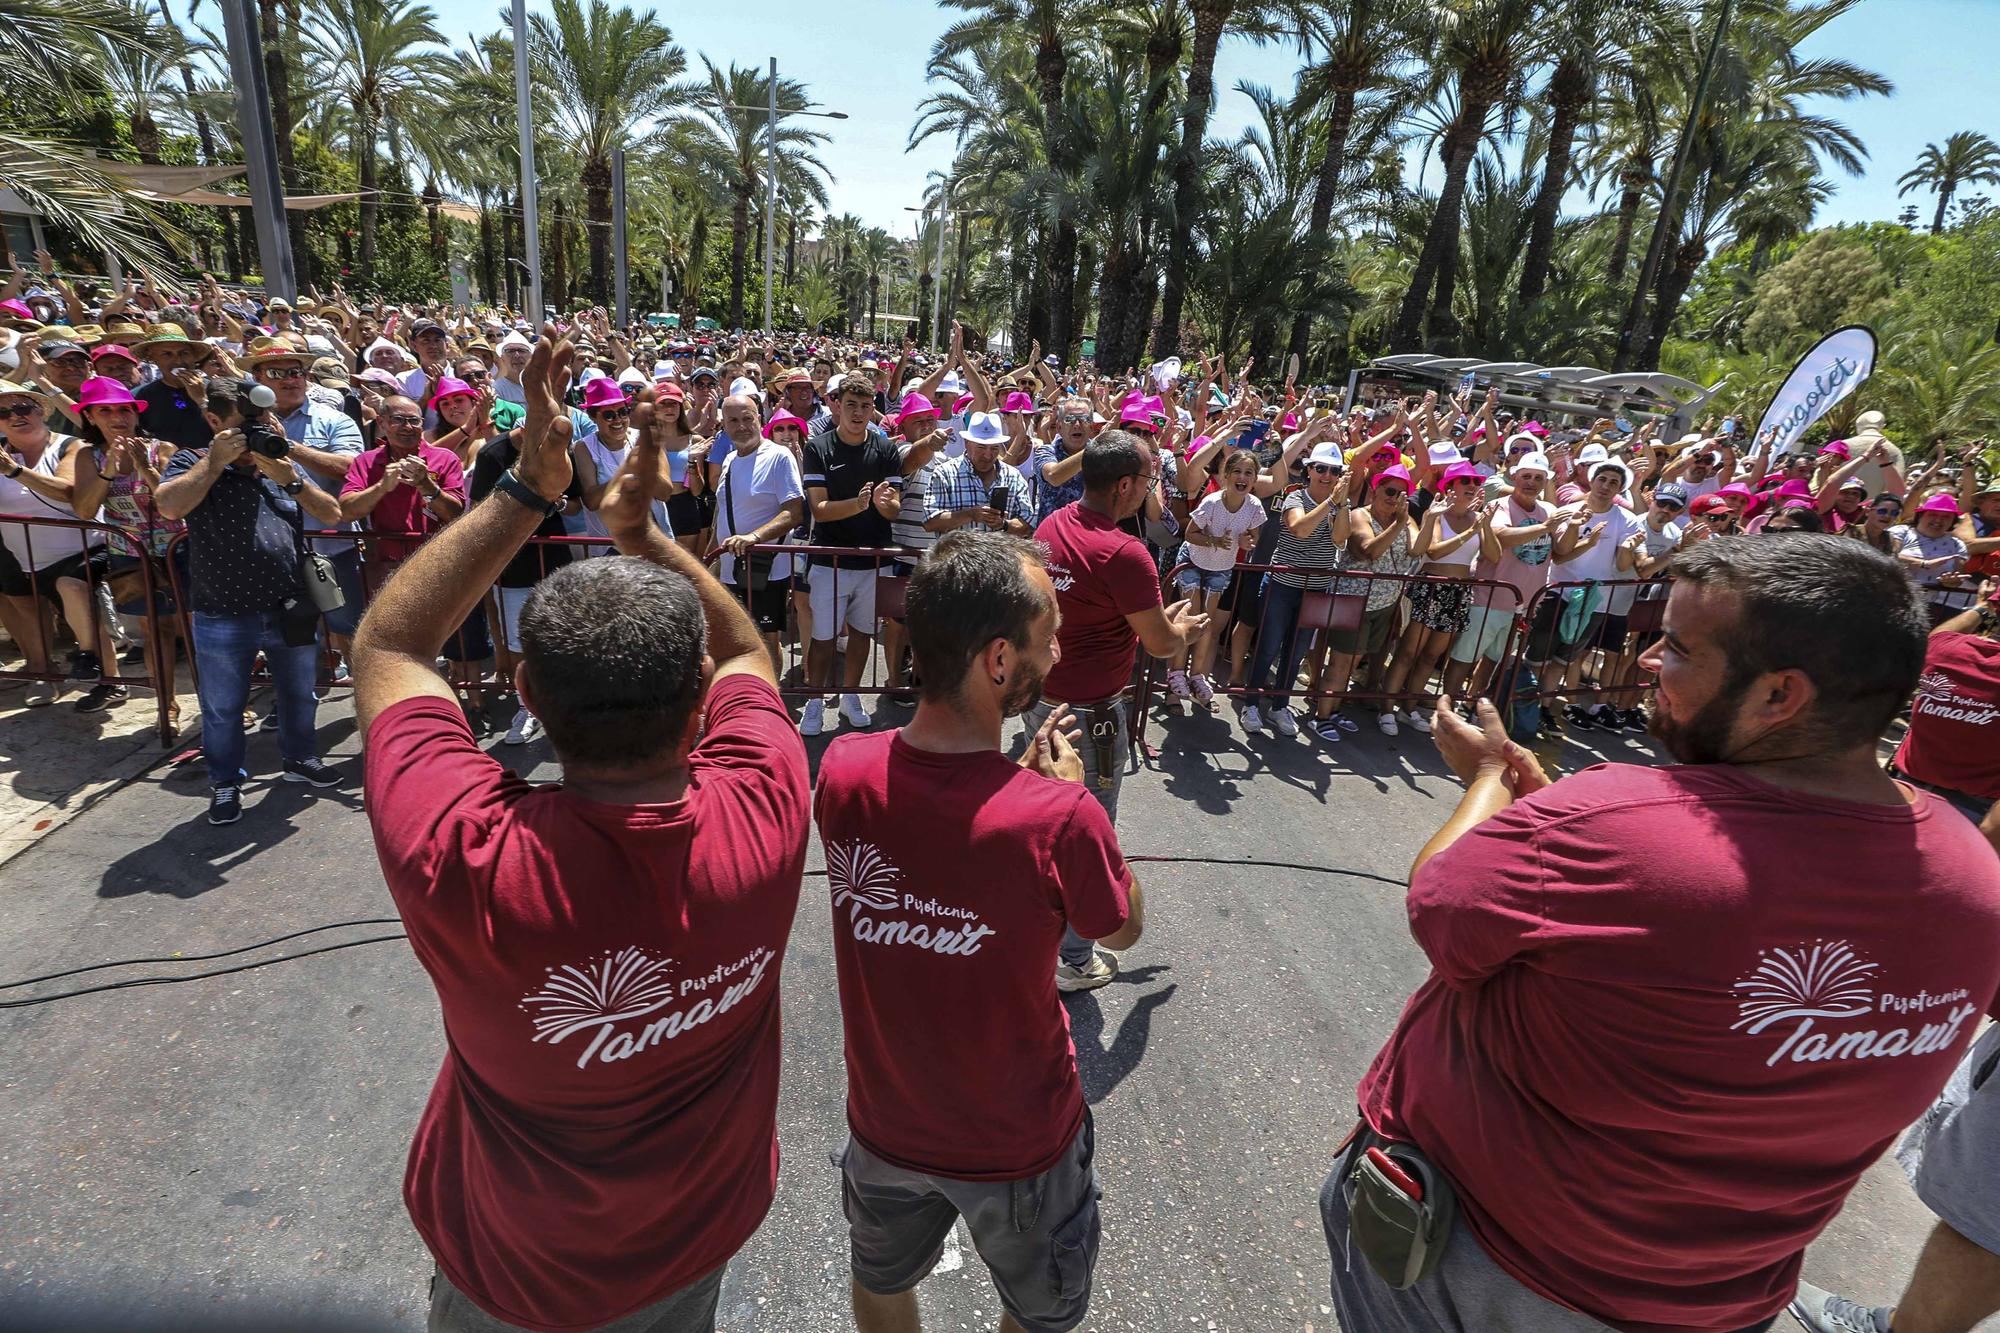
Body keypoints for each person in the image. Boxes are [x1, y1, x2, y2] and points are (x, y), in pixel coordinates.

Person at [1319, 534, 2000, 1333]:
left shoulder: (1607, 824)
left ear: (1779, 695)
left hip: (1479, 1262)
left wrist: (1493, 782)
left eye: (1677, 647)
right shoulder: (1976, 879)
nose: (1647, 660)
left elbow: (1440, 903)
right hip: (1717, 1301)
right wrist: (1565, 831)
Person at [351, 330, 809, 1333]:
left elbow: (389, 641)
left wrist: (524, 487)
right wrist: (644, 535)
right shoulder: (767, 809)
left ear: (525, 693)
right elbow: (747, 654)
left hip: (507, 1273)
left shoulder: (463, 853)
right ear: (699, 706)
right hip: (689, 1247)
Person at [814, 530, 1141, 1333]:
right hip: (1020, 1145)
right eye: (1049, 632)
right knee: (1035, 1310)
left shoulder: (844, 771)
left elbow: (951, 827)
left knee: (882, 1279)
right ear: (999, 660)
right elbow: (1123, 928)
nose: (1059, 647)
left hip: (886, 1123)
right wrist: (1079, 806)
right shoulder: (1060, 818)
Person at [1028, 430, 1205, 990]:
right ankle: (1075, 958)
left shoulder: (1051, 526)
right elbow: (1159, 644)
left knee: (1046, 818)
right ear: (1126, 485)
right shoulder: (1126, 553)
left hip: (1043, 699)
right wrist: (1181, 632)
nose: (1151, 488)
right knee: (1089, 830)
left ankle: (1038, 930)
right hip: (1094, 714)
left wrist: (1156, 621)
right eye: (1150, 480)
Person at [152, 377, 347, 825]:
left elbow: (332, 514)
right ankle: (225, 782)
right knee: (223, 708)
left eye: (261, 421)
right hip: (223, 613)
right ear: (213, 421)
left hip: (289, 607)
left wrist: (292, 479)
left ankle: (300, 760)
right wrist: (215, 463)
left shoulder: (277, 466)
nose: (254, 433)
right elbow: (168, 505)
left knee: (301, 696)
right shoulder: (191, 461)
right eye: (243, 426)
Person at [0, 378, 116, 707]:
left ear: (41, 412)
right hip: (28, 557)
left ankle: (98, 668)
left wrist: (15, 472)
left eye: (24, 408)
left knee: (72, 589)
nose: (15, 416)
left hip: (87, 547)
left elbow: (70, 492)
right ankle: (62, 674)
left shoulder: (71, 446)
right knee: (38, 606)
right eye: (4, 412)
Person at [801, 372, 904, 737]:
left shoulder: (887, 449)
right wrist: (860, 505)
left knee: (862, 634)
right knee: (824, 638)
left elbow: (893, 510)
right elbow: (820, 510)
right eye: (851, 405)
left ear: (872, 408)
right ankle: (814, 701)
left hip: (874, 562)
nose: (858, 412)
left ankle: (850, 694)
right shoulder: (817, 448)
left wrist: (883, 504)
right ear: (836, 406)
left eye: (865, 406)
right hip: (829, 562)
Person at [1242, 441, 1351, 738]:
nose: (1326, 475)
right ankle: (1251, 703)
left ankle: (1280, 705)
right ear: (1309, 471)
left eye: (1333, 470)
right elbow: (1299, 529)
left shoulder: (1343, 504)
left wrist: (1340, 505)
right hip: (1282, 586)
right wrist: (1331, 504)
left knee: (1296, 652)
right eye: (1320, 468)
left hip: (1315, 590)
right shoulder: (1294, 497)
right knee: (1268, 647)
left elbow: (1341, 539)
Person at [1885, 582, 2000, 823]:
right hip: (1974, 813)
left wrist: (1981, 607)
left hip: (1901, 790)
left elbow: (1937, 636)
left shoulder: (1944, 650)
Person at [712, 399, 807, 670]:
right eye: (733, 421)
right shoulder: (729, 460)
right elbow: (722, 512)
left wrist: (753, 538)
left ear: (759, 419)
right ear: (724, 425)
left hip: (765, 569)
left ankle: (772, 702)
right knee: (735, 642)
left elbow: (793, 512)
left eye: (747, 419)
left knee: (766, 639)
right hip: (732, 569)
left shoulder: (778, 456)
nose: (742, 426)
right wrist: (711, 558)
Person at [1169, 448, 1264, 708]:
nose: (1242, 477)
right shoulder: (1211, 502)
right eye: (1237, 471)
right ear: (1226, 475)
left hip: (1221, 567)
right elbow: (1189, 533)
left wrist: (1247, 542)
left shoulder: (1254, 506)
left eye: (1248, 473)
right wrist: (1213, 539)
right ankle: (1176, 673)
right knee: (1190, 619)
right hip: (1192, 561)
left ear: (1254, 479)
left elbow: (1253, 538)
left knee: (1206, 625)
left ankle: (1197, 675)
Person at [1895, 494, 1976, 626]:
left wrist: (1951, 582)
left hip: (1925, 607)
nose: (1939, 520)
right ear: (1921, 515)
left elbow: (1957, 577)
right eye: (1933, 514)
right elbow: (1887, 554)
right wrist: (1923, 563)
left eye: (1946, 517)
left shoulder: (1957, 544)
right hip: (1890, 598)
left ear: (1953, 522)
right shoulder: (1901, 531)